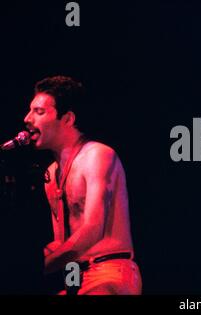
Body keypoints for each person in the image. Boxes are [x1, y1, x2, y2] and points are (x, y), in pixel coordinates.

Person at [24, 76, 142, 295]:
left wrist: (39, 267)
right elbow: (64, 246)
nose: (27, 119)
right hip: (78, 275)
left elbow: (92, 230)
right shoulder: (51, 173)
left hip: (110, 272)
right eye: (30, 111)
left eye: (39, 112)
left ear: (67, 119)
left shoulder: (97, 155)